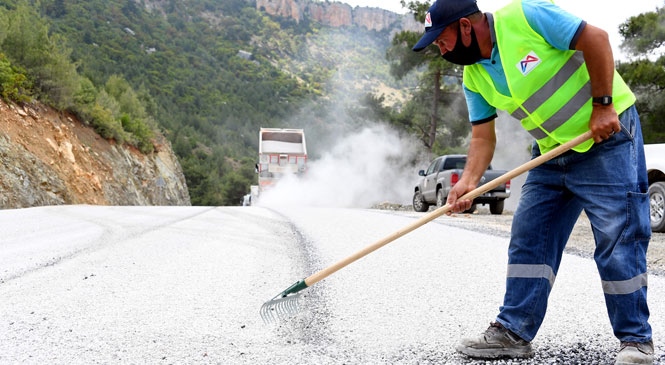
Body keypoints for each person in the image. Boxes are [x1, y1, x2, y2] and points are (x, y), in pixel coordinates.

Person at [412, 0, 654, 363]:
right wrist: (469, 182)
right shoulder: (474, 76)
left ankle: (637, 340)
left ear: (465, 27)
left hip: (607, 138)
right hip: (552, 151)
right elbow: (482, 137)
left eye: (441, 39)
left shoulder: (526, 16)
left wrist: (603, 105)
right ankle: (514, 332)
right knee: (530, 235)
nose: (439, 47)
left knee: (618, 236)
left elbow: (598, 39)